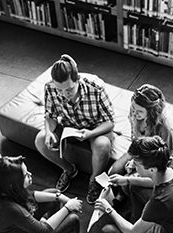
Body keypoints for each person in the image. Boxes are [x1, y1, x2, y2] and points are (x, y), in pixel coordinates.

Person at [35, 54, 115, 205]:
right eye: (60, 90)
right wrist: (49, 132)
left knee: (102, 145)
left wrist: (90, 133)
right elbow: (50, 115)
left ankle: (94, 181)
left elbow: (110, 122)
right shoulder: (50, 87)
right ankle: (69, 170)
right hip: (69, 124)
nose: (64, 94)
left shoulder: (96, 88)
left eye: (69, 89)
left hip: (96, 126)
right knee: (40, 140)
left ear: (77, 79)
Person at [108, 84, 173, 206]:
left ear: (152, 112)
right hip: (138, 150)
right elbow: (135, 138)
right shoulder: (135, 112)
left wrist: (137, 164)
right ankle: (123, 195)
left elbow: (165, 159)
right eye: (133, 109)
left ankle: (130, 198)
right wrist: (134, 159)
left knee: (129, 185)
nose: (134, 113)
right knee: (113, 172)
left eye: (139, 111)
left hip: (155, 159)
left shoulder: (166, 128)